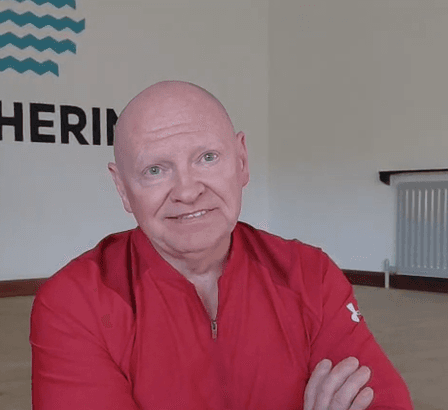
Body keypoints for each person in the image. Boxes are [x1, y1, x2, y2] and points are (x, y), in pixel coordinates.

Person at [30, 81, 413, 409]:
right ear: (122, 188)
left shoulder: (310, 275)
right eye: (155, 170)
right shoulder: (74, 302)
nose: (187, 191)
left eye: (207, 157)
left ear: (241, 161)